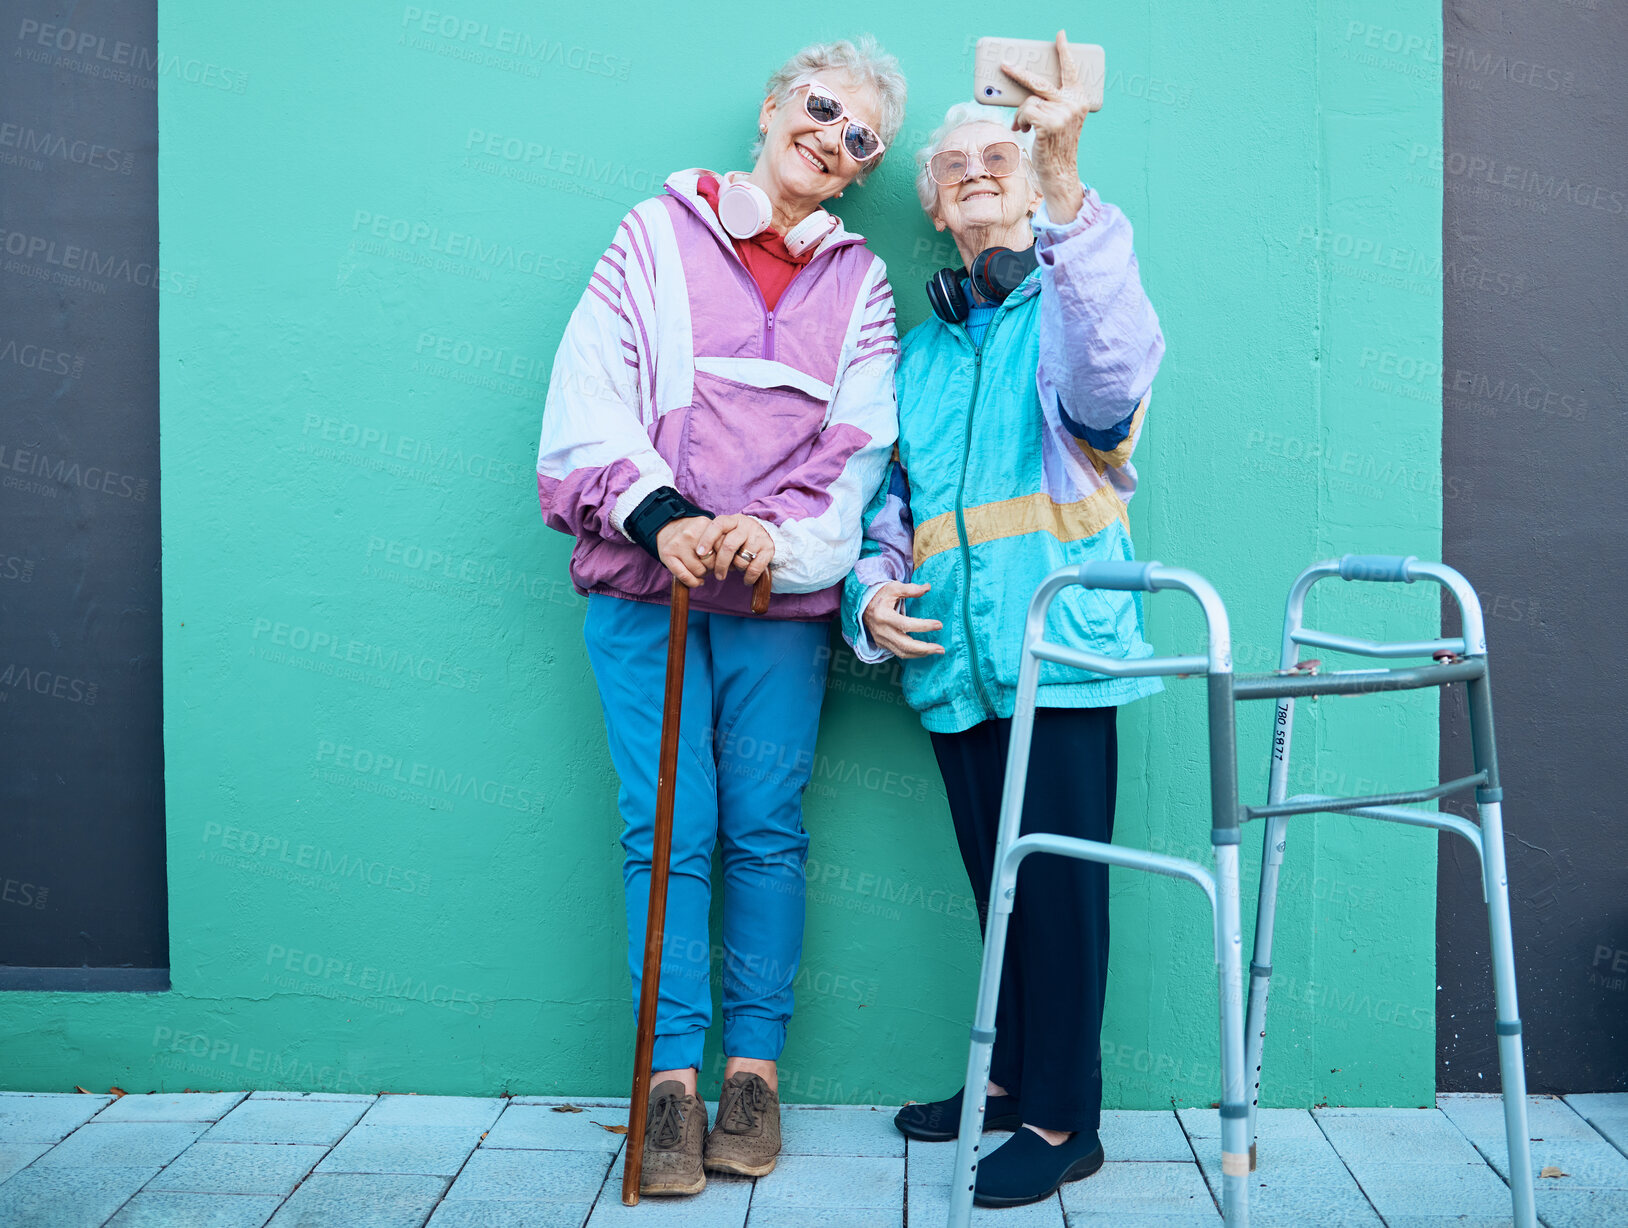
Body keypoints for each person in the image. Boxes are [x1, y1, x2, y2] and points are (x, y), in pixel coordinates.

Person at [537, 37, 906, 1197]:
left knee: (764, 828)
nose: (832, 138)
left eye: (861, 139)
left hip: (774, 608)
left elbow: (857, 452)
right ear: (770, 107)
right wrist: (663, 517)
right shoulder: (650, 236)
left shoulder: (863, 285)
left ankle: (752, 1076)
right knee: (667, 828)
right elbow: (584, 399)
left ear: (861, 171)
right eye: (819, 108)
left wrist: (774, 543)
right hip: (651, 592)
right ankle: (666, 1086)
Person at [841, 32, 1165, 1208]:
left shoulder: (1075, 310)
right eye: (955, 162)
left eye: (1001, 155)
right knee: (1000, 885)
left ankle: (1063, 1119)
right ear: (929, 204)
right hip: (952, 666)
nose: (977, 167)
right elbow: (886, 503)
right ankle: (1006, 1078)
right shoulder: (918, 351)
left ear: (1030, 185)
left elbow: (1110, 384)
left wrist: (1070, 184)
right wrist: (865, 596)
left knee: (1061, 894)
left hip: (1060, 656)